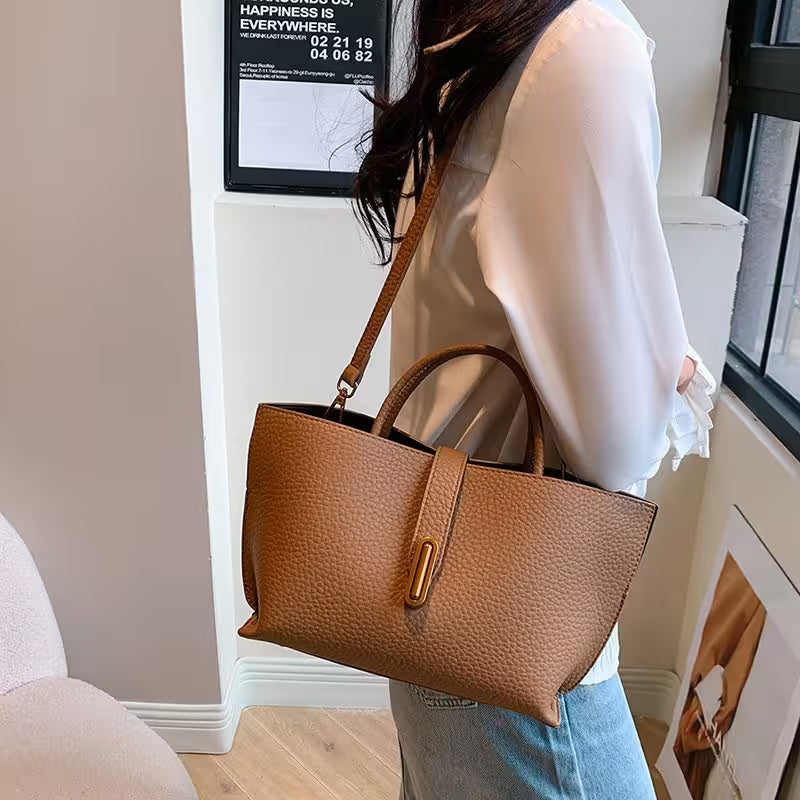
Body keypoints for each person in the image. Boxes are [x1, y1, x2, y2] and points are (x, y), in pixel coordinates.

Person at [354, 0, 716, 797]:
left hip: (426, 591)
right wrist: (675, 368)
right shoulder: (582, 47)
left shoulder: (476, 35)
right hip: (517, 625)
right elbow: (616, 444)